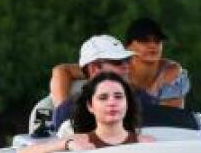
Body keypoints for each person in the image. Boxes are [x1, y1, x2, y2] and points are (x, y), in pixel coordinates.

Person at [18, 71, 155, 153]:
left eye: (118, 97)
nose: (112, 102)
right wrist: (66, 144)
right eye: (103, 98)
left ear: (127, 103)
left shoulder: (145, 143)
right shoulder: (79, 140)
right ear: (90, 106)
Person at [49, 18, 189, 108]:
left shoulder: (172, 73)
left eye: (157, 41)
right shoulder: (102, 69)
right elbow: (61, 70)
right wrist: (62, 110)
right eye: (144, 40)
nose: (153, 45)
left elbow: (171, 120)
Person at [46, 34, 164, 132]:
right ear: (94, 68)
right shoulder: (70, 111)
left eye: (127, 60)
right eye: (118, 62)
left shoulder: (142, 97)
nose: (127, 66)